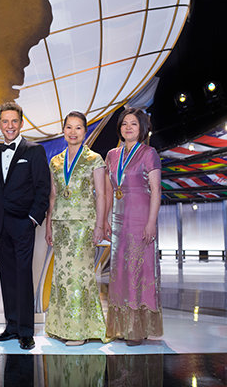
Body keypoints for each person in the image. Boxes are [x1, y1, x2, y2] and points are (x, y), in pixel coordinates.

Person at [0, 102, 50, 350]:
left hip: (23, 223)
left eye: (14, 121)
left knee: (23, 276)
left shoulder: (35, 151)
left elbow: (43, 188)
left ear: (21, 123)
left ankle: (26, 331)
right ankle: (11, 327)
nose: (9, 126)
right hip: (0, 225)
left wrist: (32, 219)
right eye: (5, 121)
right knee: (8, 277)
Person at [45, 111, 107, 345]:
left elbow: (101, 195)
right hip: (61, 224)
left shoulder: (95, 159)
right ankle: (60, 326)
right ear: (63, 131)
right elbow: (53, 196)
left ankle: (79, 331)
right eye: (69, 127)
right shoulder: (55, 161)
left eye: (78, 127)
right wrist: (49, 225)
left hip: (84, 224)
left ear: (85, 131)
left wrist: (99, 225)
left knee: (79, 275)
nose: (73, 132)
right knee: (62, 275)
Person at [104, 107, 162, 345]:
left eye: (134, 124)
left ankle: (137, 329)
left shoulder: (149, 153)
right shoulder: (112, 155)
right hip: (119, 221)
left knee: (139, 270)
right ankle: (121, 327)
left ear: (142, 128)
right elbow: (109, 190)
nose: (128, 127)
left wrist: (151, 222)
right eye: (124, 123)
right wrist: (105, 218)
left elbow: (156, 190)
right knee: (119, 272)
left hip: (141, 219)